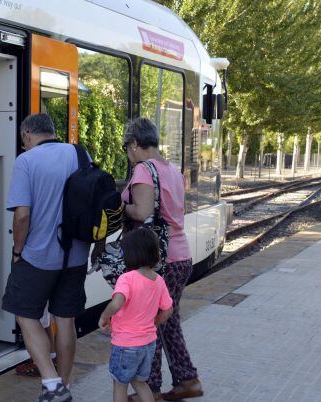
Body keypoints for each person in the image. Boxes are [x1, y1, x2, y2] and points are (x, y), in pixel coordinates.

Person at [2, 113, 90, 402]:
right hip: (76, 256)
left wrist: (17, 251)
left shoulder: (26, 161)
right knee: (64, 320)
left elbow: (22, 215)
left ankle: (52, 385)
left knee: (25, 315)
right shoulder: (80, 154)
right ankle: (63, 385)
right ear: (52, 131)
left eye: (23, 140)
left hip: (37, 258)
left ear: (27, 135)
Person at [118, 117, 203, 401]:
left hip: (158, 261)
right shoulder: (172, 169)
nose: (127, 154)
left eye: (126, 147)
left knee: (147, 323)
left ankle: (151, 388)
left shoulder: (144, 169)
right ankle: (188, 380)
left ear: (134, 144)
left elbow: (141, 212)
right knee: (168, 319)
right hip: (181, 256)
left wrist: (121, 206)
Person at [99, 228, 173, 402]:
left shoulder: (127, 278)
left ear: (131, 254)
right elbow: (168, 309)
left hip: (126, 345)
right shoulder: (158, 280)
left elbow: (117, 303)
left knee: (120, 385)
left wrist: (104, 317)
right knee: (140, 383)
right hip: (148, 344)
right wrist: (155, 323)